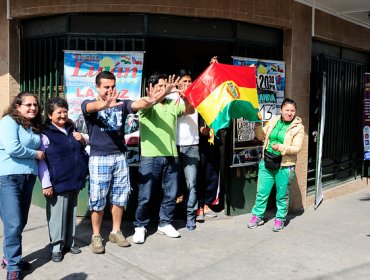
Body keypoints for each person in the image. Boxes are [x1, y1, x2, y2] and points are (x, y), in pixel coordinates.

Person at [81, 71, 166, 254]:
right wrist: (104, 104)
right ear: (97, 87)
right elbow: (91, 108)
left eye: (113, 86)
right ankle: (96, 235)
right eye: (106, 87)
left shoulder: (121, 104)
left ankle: (116, 231)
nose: (110, 91)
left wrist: (151, 100)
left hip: (119, 156)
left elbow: (138, 104)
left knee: (120, 197)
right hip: (99, 157)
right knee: (97, 199)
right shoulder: (88, 104)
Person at [133, 72, 194, 244]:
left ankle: (165, 223)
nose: (163, 89)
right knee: (145, 195)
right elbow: (144, 104)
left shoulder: (172, 103)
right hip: (150, 156)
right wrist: (166, 92)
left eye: (164, 86)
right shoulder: (146, 103)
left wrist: (185, 97)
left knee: (171, 193)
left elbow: (190, 110)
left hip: (171, 155)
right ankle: (140, 225)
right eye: (159, 86)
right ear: (150, 88)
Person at [37, 97, 88, 262]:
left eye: (65, 111)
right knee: (57, 216)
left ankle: (69, 242)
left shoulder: (72, 129)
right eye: (59, 112)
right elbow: (41, 161)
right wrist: (46, 184)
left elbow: (79, 151)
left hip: (74, 179)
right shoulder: (44, 134)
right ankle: (56, 248)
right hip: (57, 182)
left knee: (71, 213)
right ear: (50, 115)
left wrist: (82, 141)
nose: (63, 115)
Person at [0, 92, 44, 280]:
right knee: (13, 224)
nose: (33, 107)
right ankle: (13, 268)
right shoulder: (9, 121)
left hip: (28, 178)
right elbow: (12, 148)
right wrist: (35, 154)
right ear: (18, 106)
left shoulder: (32, 126)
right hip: (9, 177)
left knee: (20, 222)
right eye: (28, 105)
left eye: (35, 104)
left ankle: (9, 258)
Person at [247, 98, 304, 232]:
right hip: (267, 161)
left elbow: (296, 148)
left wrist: (281, 147)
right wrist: (257, 126)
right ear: (281, 110)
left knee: (282, 194)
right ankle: (257, 216)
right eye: (287, 110)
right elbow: (261, 136)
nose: (289, 113)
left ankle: (280, 219)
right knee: (262, 192)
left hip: (285, 165)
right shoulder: (274, 121)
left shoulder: (298, 127)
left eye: (292, 111)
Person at [166, 69, 199, 230]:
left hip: (192, 145)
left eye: (189, 81)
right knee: (171, 184)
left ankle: (190, 216)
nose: (187, 84)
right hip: (172, 145)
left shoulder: (197, 96)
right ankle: (168, 218)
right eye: (184, 81)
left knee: (191, 183)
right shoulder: (169, 97)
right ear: (177, 82)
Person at [196, 56, 222, 221]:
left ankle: (207, 204)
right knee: (199, 174)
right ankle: (198, 206)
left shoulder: (220, 94)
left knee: (212, 173)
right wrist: (202, 130)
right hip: (198, 142)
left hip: (215, 141)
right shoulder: (198, 92)